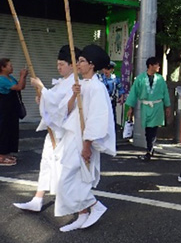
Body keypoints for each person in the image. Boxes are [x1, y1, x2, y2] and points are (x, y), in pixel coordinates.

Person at [55, 44, 116, 232]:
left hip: (82, 140)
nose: (78, 64)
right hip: (72, 136)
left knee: (66, 178)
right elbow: (67, 110)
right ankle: (82, 214)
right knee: (74, 178)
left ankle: (94, 204)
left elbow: (97, 118)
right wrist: (74, 95)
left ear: (91, 65)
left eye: (81, 61)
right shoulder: (80, 85)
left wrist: (87, 145)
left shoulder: (97, 88)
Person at [13, 45, 79, 212]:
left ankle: (82, 206)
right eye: (57, 64)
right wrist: (42, 97)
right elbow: (52, 100)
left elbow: (61, 105)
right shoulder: (64, 81)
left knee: (65, 168)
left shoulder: (75, 82)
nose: (59, 67)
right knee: (47, 162)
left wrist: (42, 89)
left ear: (72, 64)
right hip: (55, 131)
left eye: (62, 64)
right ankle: (38, 198)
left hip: (66, 132)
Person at [126, 56, 171, 161]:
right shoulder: (140, 78)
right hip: (146, 106)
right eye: (156, 65)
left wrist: (167, 106)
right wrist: (130, 108)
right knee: (147, 129)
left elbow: (165, 93)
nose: (158, 67)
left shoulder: (160, 79)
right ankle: (150, 148)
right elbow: (134, 93)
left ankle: (149, 150)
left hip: (157, 106)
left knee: (153, 129)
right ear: (150, 66)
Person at [0, 58, 27, 166]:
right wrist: (21, 76)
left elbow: (21, 86)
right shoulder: (1, 79)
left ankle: (6, 153)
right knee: (3, 131)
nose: (12, 67)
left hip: (11, 109)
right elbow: (18, 86)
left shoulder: (10, 77)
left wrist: (23, 77)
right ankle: (1, 156)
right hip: (3, 109)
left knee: (11, 130)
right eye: (9, 66)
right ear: (3, 68)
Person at [98, 61, 124, 130]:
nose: (106, 71)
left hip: (111, 101)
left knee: (112, 118)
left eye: (108, 69)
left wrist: (121, 96)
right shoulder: (99, 78)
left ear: (112, 70)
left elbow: (120, 88)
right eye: (105, 68)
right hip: (101, 101)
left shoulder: (115, 79)